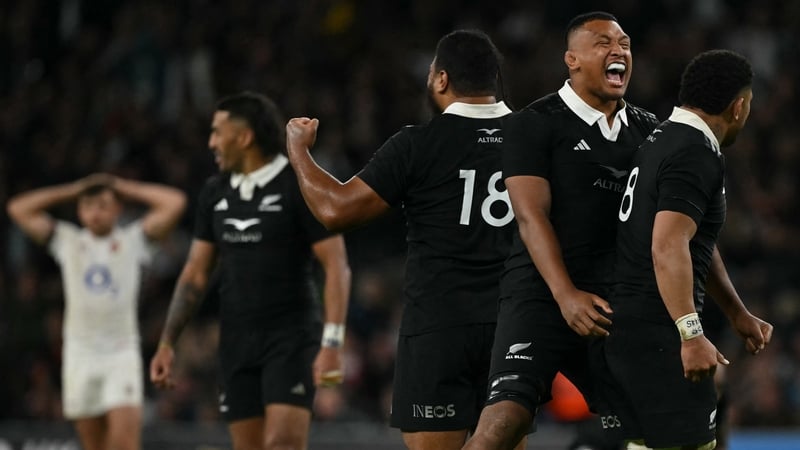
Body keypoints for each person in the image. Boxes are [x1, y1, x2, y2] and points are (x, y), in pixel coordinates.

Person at [285, 29, 515, 450]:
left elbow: (335, 209)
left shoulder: (417, 144)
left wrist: (298, 151)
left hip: (439, 329)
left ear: (442, 79)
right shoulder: (533, 138)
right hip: (512, 328)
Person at [462, 11, 660, 450]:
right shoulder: (533, 122)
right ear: (571, 59)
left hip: (610, 303)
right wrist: (565, 294)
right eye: (603, 42)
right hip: (539, 292)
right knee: (504, 420)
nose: (619, 51)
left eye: (625, 43)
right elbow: (531, 215)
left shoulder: (651, 132)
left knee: (650, 422)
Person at [149, 91, 352, 450]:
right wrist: (167, 342)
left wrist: (332, 343)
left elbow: (336, 266)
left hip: (290, 339)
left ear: (244, 137)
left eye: (217, 132)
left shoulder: (297, 184)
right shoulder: (214, 193)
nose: (210, 142)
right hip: (235, 342)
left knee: (282, 444)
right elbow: (195, 274)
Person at [602, 49, 774, 450]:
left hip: (633, 327)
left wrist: (736, 312)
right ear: (738, 106)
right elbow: (667, 244)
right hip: (658, 330)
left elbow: (692, 241)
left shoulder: (661, 139)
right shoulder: (695, 152)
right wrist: (690, 333)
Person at [6, 174, 187, 450]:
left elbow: (175, 202)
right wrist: (72, 189)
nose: (95, 212)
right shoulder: (66, 240)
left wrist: (123, 187)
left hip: (120, 353)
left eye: (103, 205)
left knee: (125, 445)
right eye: (88, 205)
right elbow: (17, 208)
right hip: (80, 356)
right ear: (78, 211)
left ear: (118, 209)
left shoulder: (134, 240)